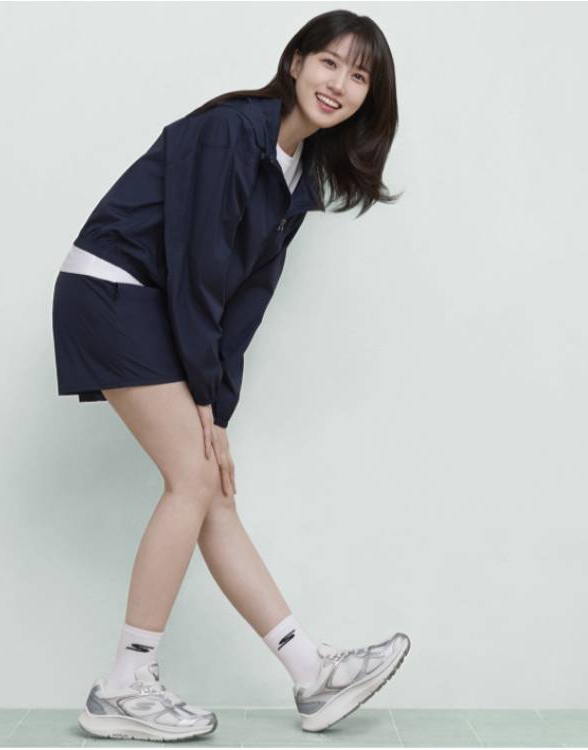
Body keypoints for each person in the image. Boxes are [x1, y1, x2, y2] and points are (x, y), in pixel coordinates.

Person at [52, 9, 410, 743]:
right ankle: (124, 686)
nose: (339, 84)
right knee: (192, 479)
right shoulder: (232, 130)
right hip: (114, 289)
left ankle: (311, 673)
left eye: (358, 76)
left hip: (152, 303)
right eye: (329, 63)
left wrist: (217, 413)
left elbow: (244, 301)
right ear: (295, 62)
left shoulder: (299, 175)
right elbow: (196, 271)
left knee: (209, 483)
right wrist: (203, 400)